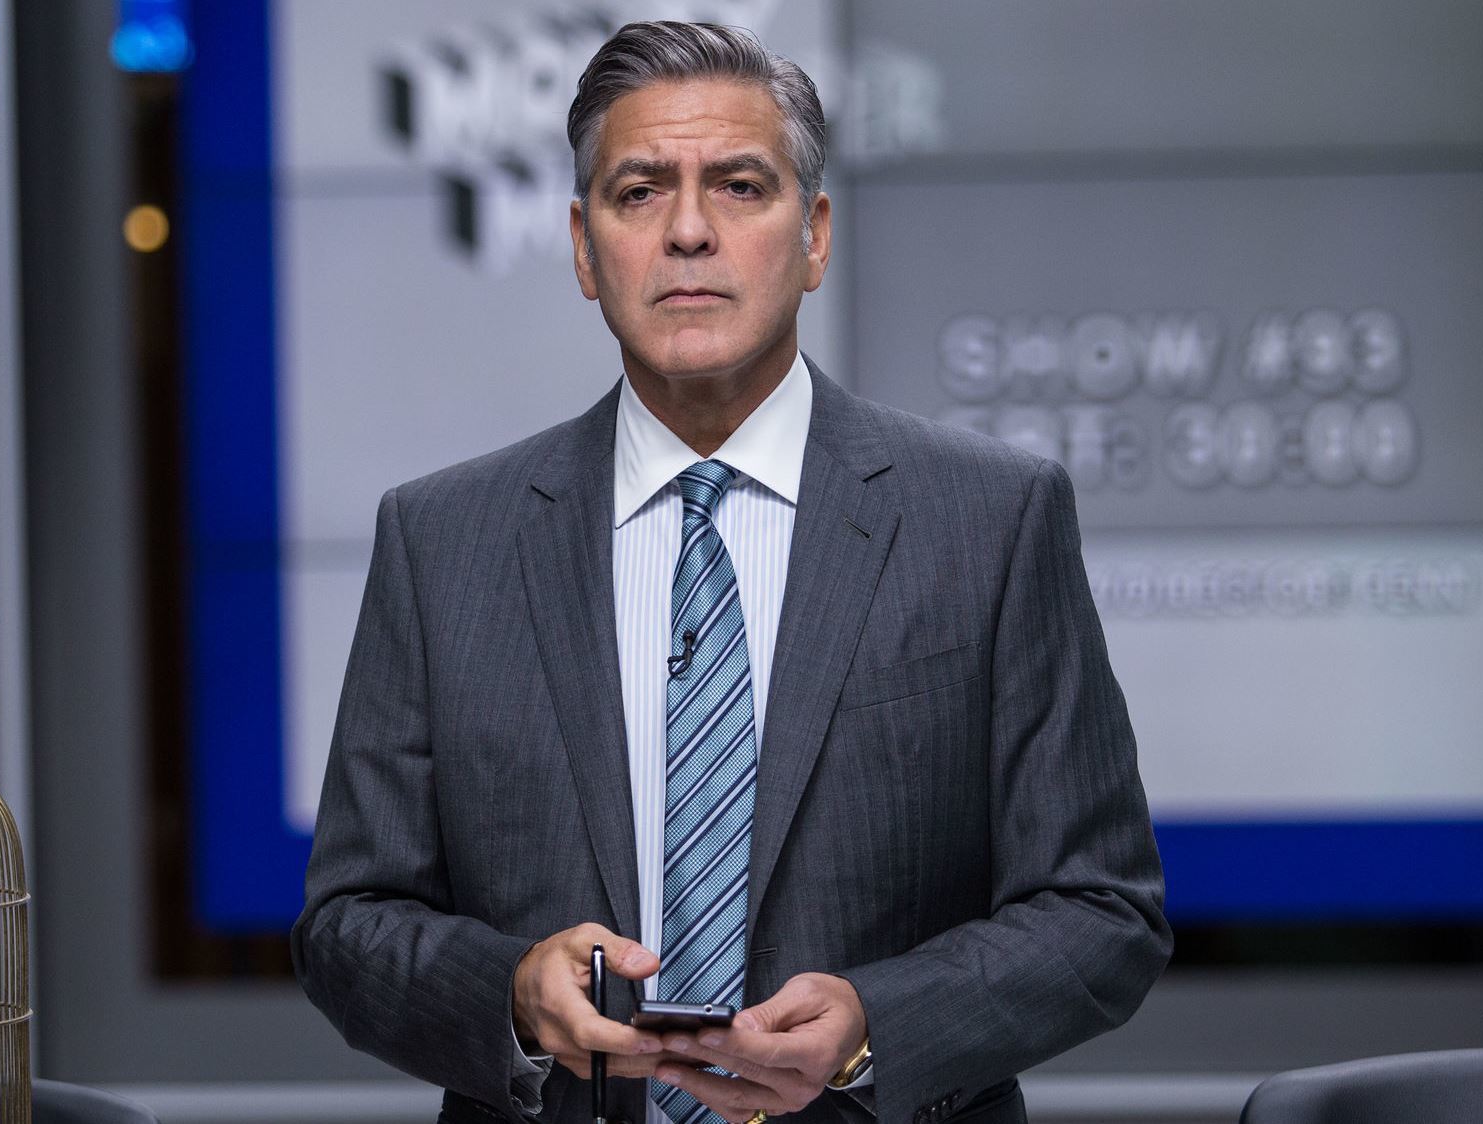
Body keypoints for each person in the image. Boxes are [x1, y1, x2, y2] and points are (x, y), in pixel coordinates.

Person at [293, 21, 1170, 1124]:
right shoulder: (443, 542)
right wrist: (509, 993)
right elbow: (348, 925)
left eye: (739, 186)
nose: (689, 231)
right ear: (583, 248)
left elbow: (1101, 910)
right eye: (639, 192)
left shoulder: (990, 519)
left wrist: (876, 1024)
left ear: (814, 237)